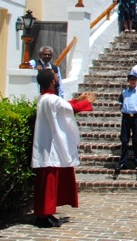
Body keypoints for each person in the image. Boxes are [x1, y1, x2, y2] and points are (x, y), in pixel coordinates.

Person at [32, 69, 96, 228]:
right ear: (52, 81)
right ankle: (44, 216)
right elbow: (71, 108)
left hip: (48, 144)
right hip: (52, 145)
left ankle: (46, 213)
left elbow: (65, 105)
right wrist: (88, 101)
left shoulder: (44, 98)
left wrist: (78, 99)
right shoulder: (52, 99)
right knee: (49, 182)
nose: (57, 78)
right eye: (55, 77)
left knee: (47, 182)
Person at [114, 73, 137, 179]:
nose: (132, 81)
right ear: (128, 81)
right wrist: (125, 112)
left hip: (136, 117)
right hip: (126, 117)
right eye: (131, 79)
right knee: (124, 140)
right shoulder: (124, 92)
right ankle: (123, 162)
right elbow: (120, 103)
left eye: (134, 79)